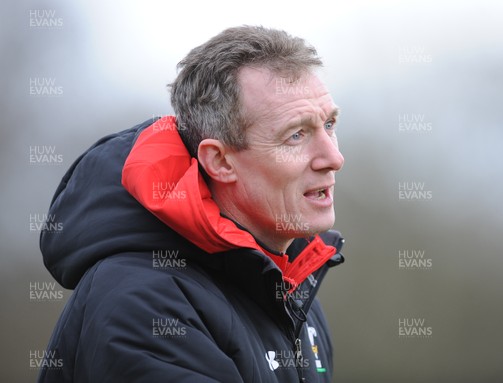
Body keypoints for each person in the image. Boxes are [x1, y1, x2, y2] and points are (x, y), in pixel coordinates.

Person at [38, 25, 345, 382]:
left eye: (329, 124)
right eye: (296, 135)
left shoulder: (289, 286)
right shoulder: (142, 302)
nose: (334, 157)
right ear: (219, 161)